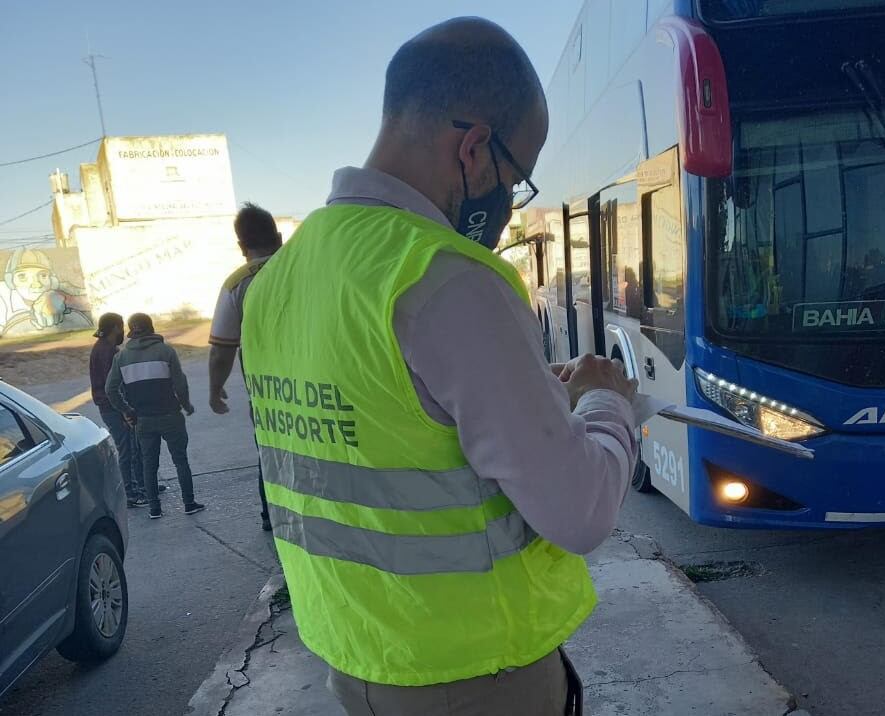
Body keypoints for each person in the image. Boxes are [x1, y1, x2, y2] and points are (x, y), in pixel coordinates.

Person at [241, 18, 639, 716]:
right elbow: (578, 513)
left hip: (355, 657)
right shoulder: (447, 276)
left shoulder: (279, 278)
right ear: (475, 146)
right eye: (515, 176)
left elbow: (388, 421)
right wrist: (603, 403)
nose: (509, 200)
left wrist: (523, 402)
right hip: (475, 674)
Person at [208, 202, 283, 531]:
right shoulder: (307, 268)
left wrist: (215, 389)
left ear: (242, 247)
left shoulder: (237, 283)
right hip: (327, 378)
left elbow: (222, 352)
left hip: (269, 393)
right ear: (279, 237)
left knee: (270, 455)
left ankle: (274, 517)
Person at [106, 313, 204, 520]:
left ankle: (154, 509)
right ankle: (189, 503)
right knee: (181, 461)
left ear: (132, 332)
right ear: (151, 329)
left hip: (143, 419)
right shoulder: (166, 351)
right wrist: (186, 405)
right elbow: (180, 384)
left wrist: (126, 410)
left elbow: (110, 389)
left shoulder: (121, 357)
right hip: (170, 416)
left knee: (149, 465)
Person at [90, 312, 148, 508]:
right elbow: (113, 386)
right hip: (113, 407)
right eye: (121, 325)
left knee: (133, 447)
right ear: (115, 327)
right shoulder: (109, 352)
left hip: (111, 406)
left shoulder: (102, 348)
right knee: (127, 450)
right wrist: (124, 410)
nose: (123, 330)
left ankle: (142, 485)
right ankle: (130, 494)